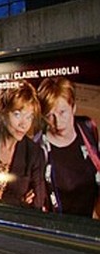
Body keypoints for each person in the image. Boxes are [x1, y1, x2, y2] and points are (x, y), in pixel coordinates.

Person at [0, 81, 46, 209]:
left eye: (29, 117)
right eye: (17, 114)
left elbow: (37, 204)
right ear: (3, 113)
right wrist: (20, 201)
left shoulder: (34, 152)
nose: (24, 124)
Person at [36, 76, 100, 218]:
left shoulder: (88, 127)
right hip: (61, 229)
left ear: (73, 107)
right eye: (50, 115)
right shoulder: (38, 149)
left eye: (62, 112)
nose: (58, 122)